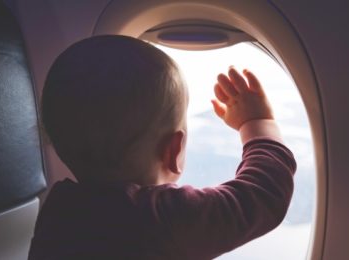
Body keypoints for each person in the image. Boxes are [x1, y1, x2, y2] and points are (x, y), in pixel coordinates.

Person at [29, 35, 296, 260]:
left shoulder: (58, 212)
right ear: (174, 151)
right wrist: (257, 122)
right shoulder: (163, 219)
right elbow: (262, 195)